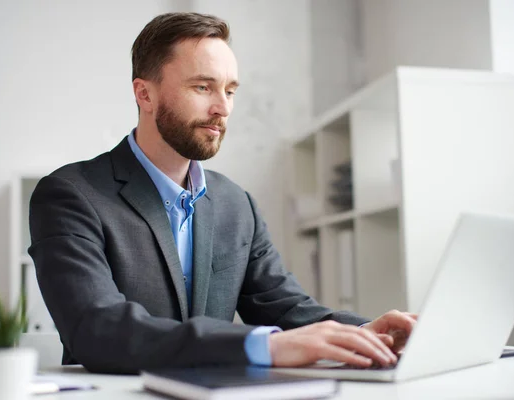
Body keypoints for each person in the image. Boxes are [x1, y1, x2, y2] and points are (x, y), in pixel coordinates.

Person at [28, 12, 417, 374]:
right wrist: (266, 347)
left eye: (230, 90)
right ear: (144, 95)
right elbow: (99, 329)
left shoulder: (236, 204)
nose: (222, 107)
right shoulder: (70, 195)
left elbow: (286, 308)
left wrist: (369, 331)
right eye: (203, 87)